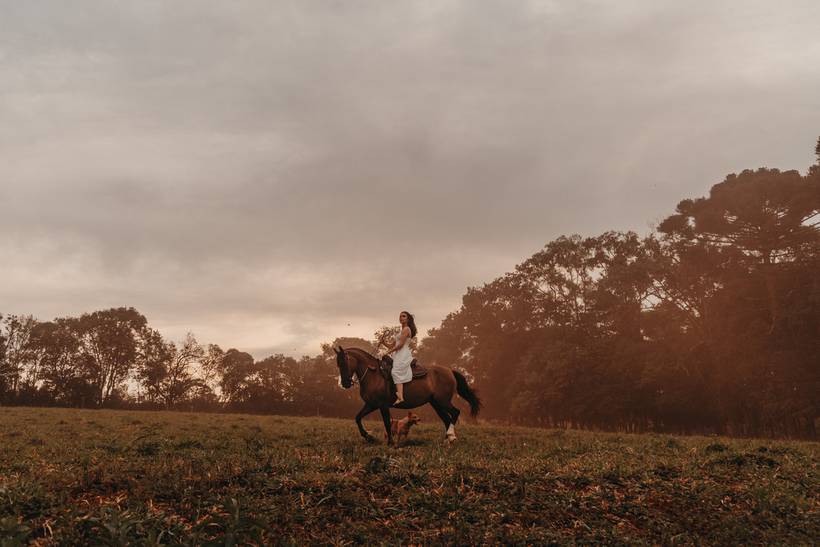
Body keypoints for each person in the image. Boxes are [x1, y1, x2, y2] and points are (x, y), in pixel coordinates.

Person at [380, 311, 417, 405]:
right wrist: (383, 342)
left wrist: (388, 352)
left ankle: (400, 396)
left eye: (403, 316)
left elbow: (400, 346)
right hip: (398, 354)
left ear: (408, 319)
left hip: (403, 354)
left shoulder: (407, 329)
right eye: (400, 316)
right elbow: (392, 345)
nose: (401, 318)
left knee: (395, 371)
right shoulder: (401, 331)